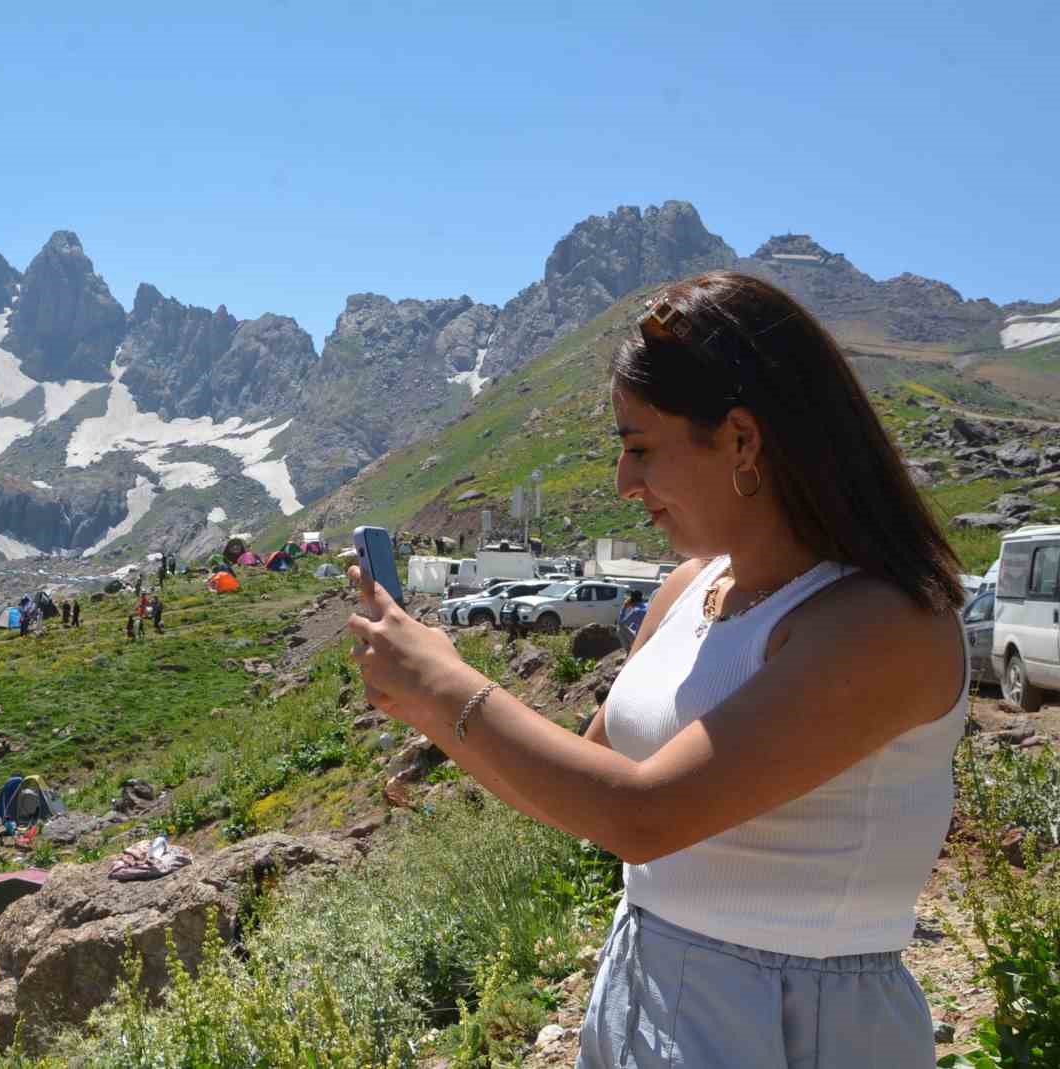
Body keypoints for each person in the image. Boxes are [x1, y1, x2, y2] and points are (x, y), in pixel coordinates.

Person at [347, 272, 967, 1068]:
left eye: (640, 448)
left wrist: (445, 687)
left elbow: (645, 817)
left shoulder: (884, 623)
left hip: (792, 1021)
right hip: (644, 981)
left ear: (743, 439)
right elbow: (590, 780)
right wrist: (428, 692)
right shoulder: (690, 587)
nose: (622, 482)